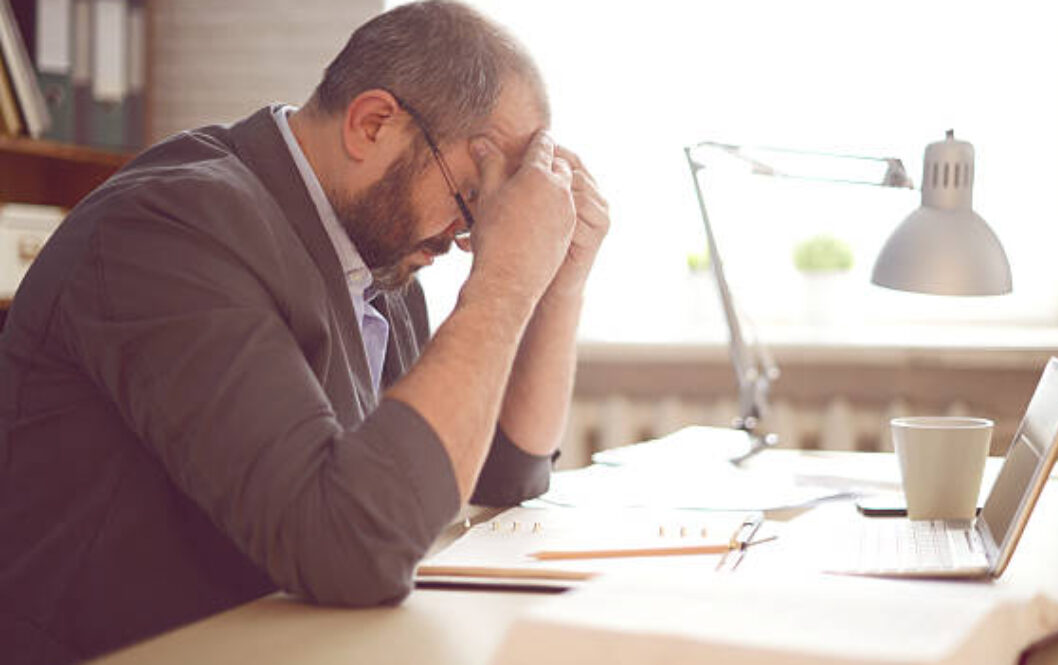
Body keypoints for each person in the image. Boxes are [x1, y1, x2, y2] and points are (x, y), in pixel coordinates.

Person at [0, 1, 609, 662]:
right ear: (373, 123)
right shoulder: (170, 228)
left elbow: (500, 475)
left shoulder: (379, 259)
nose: (469, 239)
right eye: (470, 195)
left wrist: (562, 279)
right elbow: (351, 548)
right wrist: (505, 277)